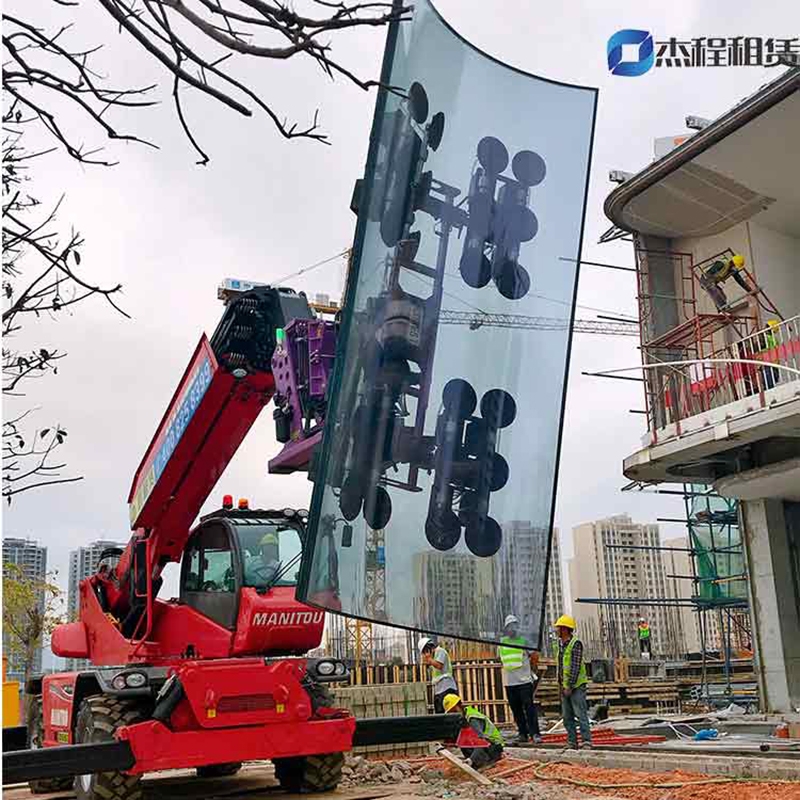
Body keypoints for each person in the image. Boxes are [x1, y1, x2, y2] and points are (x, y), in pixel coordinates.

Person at [498, 614, 542, 744]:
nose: (512, 629)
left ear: (517, 626)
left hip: (524, 681)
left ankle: (535, 733)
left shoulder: (524, 641)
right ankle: (522, 733)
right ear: (506, 628)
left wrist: (532, 670)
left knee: (529, 708)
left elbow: (534, 655)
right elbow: (501, 659)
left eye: (514, 626)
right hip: (510, 682)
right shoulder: (501, 642)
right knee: (516, 710)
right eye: (509, 626)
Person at [553, 614, 591, 750]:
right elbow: (561, 666)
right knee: (567, 716)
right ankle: (572, 741)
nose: (556, 630)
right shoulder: (560, 645)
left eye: (558, 628)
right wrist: (560, 684)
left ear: (564, 629)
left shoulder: (575, 644)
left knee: (580, 714)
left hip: (576, 686)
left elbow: (574, 667)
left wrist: (569, 685)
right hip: (564, 686)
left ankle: (586, 741)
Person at [443, 694, 504, 769]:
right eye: (450, 712)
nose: (453, 714)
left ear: (459, 706)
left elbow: (481, 741)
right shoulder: (464, 717)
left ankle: (484, 762)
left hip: (494, 747)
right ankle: (476, 762)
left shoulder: (472, 718)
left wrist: (471, 759)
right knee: (463, 740)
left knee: (471, 742)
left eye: (454, 710)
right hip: (488, 745)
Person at [419, 637, 458, 713]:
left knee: (450, 712)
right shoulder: (433, 657)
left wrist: (429, 659)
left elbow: (439, 665)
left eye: (424, 652)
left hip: (447, 687)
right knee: (439, 713)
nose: (425, 655)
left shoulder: (440, 651)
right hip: (439, 689)